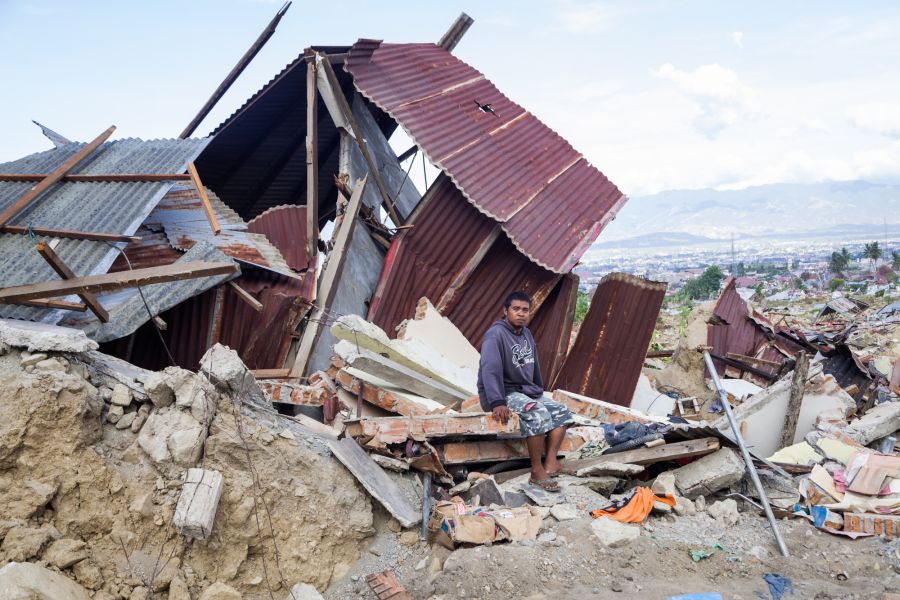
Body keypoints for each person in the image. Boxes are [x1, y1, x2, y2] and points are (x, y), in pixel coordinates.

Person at [477, 290, 575, 492]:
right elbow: (490, 369)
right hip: (503, 394)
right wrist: (496, 401)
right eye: (516, 309)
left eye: (525, 310)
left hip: (524, 391)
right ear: (505, 311)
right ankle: (536, 472)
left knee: (562, 412)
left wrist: (538, 390)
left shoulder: (526, 334)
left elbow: (534, 366)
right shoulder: (495, 335)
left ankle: (551, 463)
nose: (521, 313)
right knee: (537, 413)